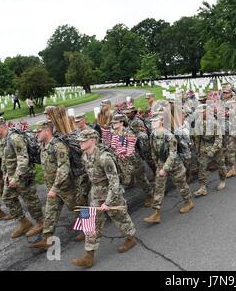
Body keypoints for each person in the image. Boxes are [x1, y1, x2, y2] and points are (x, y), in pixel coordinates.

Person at [71, 129, 137, 268]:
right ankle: (89, 256)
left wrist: (108, 202)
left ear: (93, 140)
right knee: (91, 223)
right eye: (80, 140)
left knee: (120, 217)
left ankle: (131, 238)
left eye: (83, 140)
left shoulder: (104, 157)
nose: (80, 142)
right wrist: (83, 194)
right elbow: (88, 178)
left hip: (111, 193)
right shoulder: (85, 156)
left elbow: (114, 182)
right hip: (95, 193)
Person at [0, 117, 44, 239]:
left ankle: (41, 223)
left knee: (31, 201)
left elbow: (23, 159)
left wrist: (16, 177)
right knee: (7, 198)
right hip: (11, 176)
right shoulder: (1, 139)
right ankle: (24, 223)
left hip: (23, 175)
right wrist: (5, 173)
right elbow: (4, 159)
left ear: (2, 127)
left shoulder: (15, 138)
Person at [29, 121, 80, 250]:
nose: (36, 134)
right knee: (50, 212)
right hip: (54, 188)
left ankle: (90, 233)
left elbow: (64, 168)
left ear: (47, 131)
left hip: (66, 187)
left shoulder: (58, 146)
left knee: (78, 208)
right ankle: (47, 239)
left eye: (39, 131)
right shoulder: (43, 145)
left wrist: (55, 187)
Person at [143, 112, 194, 224]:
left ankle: (188, 202)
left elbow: (173, 154)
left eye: (155, 121)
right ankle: (156, 213)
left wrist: (164, 169)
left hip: (174, 165)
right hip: (162, 165)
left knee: (181, 185)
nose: (153, 123)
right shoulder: (153, 135)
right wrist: (158, 165)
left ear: (161, 121)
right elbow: (153, 152)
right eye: (152, 121)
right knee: (159, 188)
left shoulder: (169, 136)